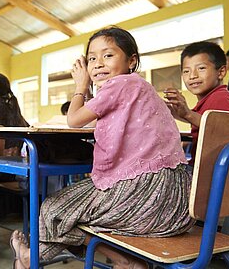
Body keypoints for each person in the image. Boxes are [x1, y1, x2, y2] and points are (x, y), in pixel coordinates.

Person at [10, 26, 194, 269]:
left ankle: (32, 258)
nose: (97, 64)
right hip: (178, 204)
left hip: (144, 199)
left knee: (54, 209)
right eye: (92, 58)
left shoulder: (119, 85)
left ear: (131, 61)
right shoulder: (141, 88)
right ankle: (31, 258)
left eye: (107, 55)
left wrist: (80, 86)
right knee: (71, 211)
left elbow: (74, 119)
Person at [164, 41, 229, 164]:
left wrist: (188, 114)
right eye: (186, 71)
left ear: (221, 72)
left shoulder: (221, 98)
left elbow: (225, 130)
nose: (192, 76)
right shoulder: (210, 100)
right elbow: (204, 121)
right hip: (203, 169)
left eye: (201, 68)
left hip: (213, 175)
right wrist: (177, 113)